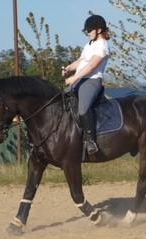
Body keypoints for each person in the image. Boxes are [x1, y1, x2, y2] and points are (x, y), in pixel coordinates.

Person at [63, 15, 110, 155]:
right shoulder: (89, 44)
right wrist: (68, 68)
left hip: (92, 81)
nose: (88, 33)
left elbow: (91, 66)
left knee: (83, 109)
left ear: (99, 30)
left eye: (89, 30)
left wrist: (74, 77)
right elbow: (81, 61)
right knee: (61, 102)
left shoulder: (102, 46)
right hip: (80, 80)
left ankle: (90, 141)